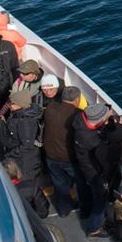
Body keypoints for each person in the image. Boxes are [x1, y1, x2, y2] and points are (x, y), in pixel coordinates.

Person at [72, 102, 122, 239]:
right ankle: (94, 229)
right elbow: (105, 150)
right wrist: (118, 129)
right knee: (100, 201)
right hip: (94, 174)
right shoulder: (90, 139)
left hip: (85, 167)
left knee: (87, 192)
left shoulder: (80, 122)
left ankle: (85, 212)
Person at [41, 84, 82, 217]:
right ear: (77, 99)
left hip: (50, 154)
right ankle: (83, 206)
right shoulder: (77, 114)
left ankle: (64, 210)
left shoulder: (50, 108)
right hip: (68, 157)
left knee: (59, 184)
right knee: (81, 182)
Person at [4, 89, 44, 181]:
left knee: (26, 181)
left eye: (12, 103)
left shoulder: (25, 121)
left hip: (26, 160)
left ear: (21, 104)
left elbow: (27, 145)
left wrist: (10, 154)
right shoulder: (20, 114)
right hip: (23, 157)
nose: (9, 105)